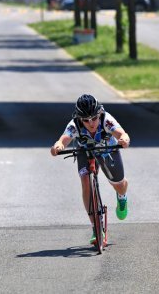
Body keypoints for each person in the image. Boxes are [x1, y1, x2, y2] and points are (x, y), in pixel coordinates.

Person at [50, 94, 130, 245]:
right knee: (86, 182)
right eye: (85, 120)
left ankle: (122, 196)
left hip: (107, 150)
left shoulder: (106, 119)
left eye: (94, 118)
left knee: (119, 185)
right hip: (84, 152)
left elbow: (122, 133)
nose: (91, 123)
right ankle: (96, 228)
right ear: (79, 118)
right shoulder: (75, 125)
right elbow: (63, 140)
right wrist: (58, 147)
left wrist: (124, 139)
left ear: (99, 114)